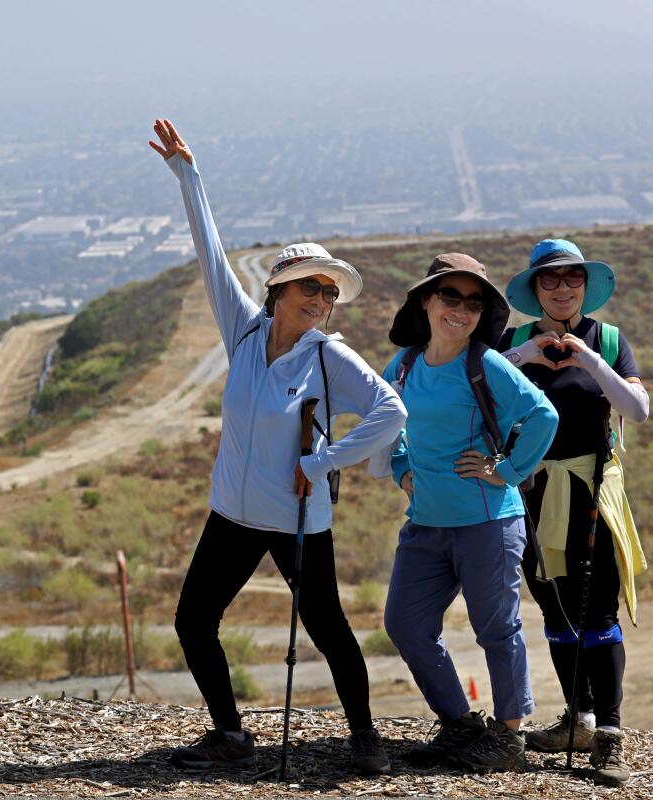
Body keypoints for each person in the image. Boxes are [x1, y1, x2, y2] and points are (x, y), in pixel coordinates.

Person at [150, 119, 406, 774]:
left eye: (329, 291)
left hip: (297, 519)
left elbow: (390, 411)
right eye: (310, 287)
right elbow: (210, 254)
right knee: (192, 621)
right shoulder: (242, 328)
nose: (322, 299)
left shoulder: (331, 358)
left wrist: (320, 462)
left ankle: (365, 738)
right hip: (233, 514)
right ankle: (230, 733)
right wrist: (188, 174)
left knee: (329, 632)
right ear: (279, 289)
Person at [380, 254, 558, 772]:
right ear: (427, 302)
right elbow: (386, 420)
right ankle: (459, 723)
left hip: (487, 521)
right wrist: (400, 469)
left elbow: (543, 414)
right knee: (406, 625)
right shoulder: (407, 363)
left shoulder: (486, 363)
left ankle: (507, 736)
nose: (461, 309)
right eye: (450, 297)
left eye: (473, 301)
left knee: (496, 629)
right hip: (426, 522)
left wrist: (507, 469)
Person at [497, 238, 648, 787]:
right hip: (529, 492)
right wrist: (524, 357)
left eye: (572, 279)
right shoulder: (510, 340)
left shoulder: (607, 340)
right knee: (556, 610)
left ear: (586, 286)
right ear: (535, 289)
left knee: (598, 610)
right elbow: (478, 392)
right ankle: (578, 718)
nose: (562, 288)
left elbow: (638, 408)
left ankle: (608, 733)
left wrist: (589, 361)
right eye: (550, 280)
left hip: (589, 491)